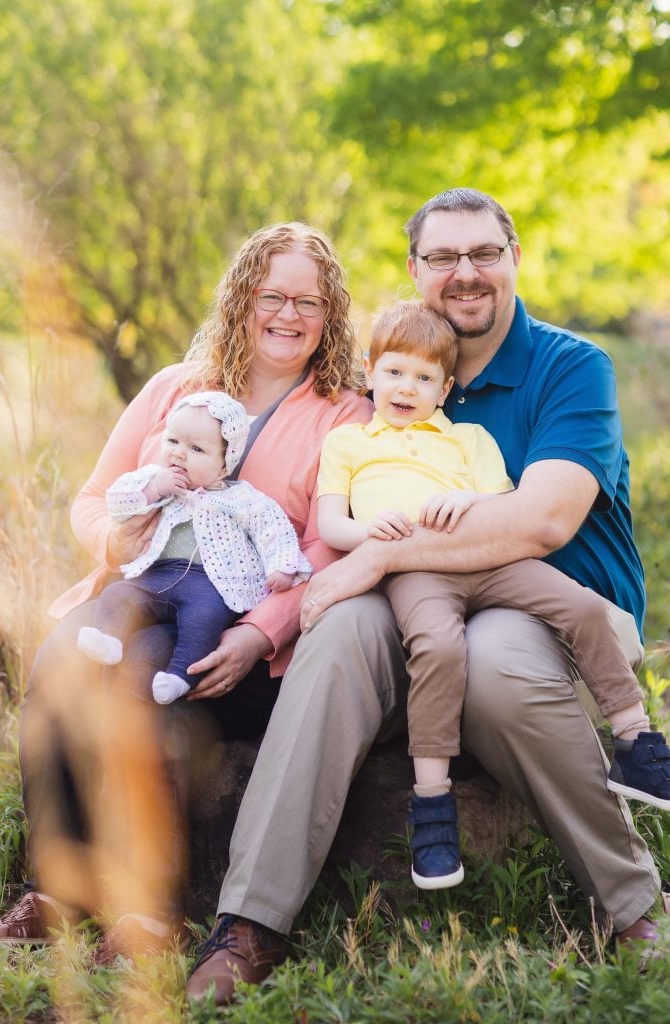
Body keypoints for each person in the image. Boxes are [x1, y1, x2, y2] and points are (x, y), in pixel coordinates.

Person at [186, 188, 667, 1005]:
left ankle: (633, 908)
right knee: (336, 638)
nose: (464, 272)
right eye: (442, 257)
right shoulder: (391, 376)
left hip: (546, 606)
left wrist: (371, 559)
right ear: (414, 271)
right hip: (414, 597)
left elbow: (542, 519)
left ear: (514, 258)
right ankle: (251, 920)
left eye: (483, 252)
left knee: (496, 663)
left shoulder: (568, 366)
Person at [0, 222, 372, 963]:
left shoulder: (344, 411)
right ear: (241, 300)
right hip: (131, 599)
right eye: (271, 296)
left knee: (141, 698)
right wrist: (117, 539)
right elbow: (94, 497)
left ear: (331, 314)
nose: (288, 315)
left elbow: (328, 544)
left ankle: (151, 915)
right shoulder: (176, 387)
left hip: (243, 635)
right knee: (59, 664)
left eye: (309, 301)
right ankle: (57, 888)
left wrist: (261, 630)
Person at [317, 298, 670, 890]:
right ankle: (432, 804)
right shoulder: (348, 443)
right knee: (437, 648)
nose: (407, 388)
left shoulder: (469, 437)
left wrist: (473, 501)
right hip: (415, 572)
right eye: (395, 372)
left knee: (579, 605)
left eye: (425, 378)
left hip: (488, 559)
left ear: (445, 386)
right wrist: (366, 535)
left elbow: (507, 499)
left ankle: (637, 739)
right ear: (369, 370)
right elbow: (330, 523)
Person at [77, 390, 312, 705]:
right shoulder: (157, 480)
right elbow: (116, 500)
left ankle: (178, 677)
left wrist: (282, 565)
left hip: (211, 586)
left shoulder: (241, 498)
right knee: (119, 595)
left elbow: (274, 529)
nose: (179, 454)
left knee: (203, 620)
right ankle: (108, 639)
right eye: (173, 442)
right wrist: (153, 488)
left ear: (224, 463)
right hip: (158, 575)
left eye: (196, 448)